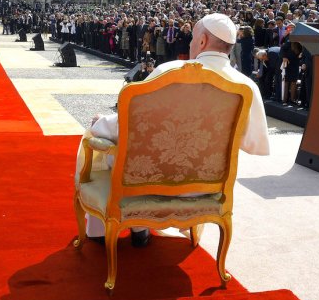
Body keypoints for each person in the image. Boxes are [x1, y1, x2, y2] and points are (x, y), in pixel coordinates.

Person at [79, 13, 270, 246]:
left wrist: (100, 122)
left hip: (149, 182)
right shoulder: (246, 87)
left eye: (192, 38)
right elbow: (254, 144)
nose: (189, 43)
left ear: (202, 42)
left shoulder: (169, 72)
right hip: (206, 190)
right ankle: (140, 228)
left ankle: (111, 229)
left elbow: (131, 126)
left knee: (103, 145)